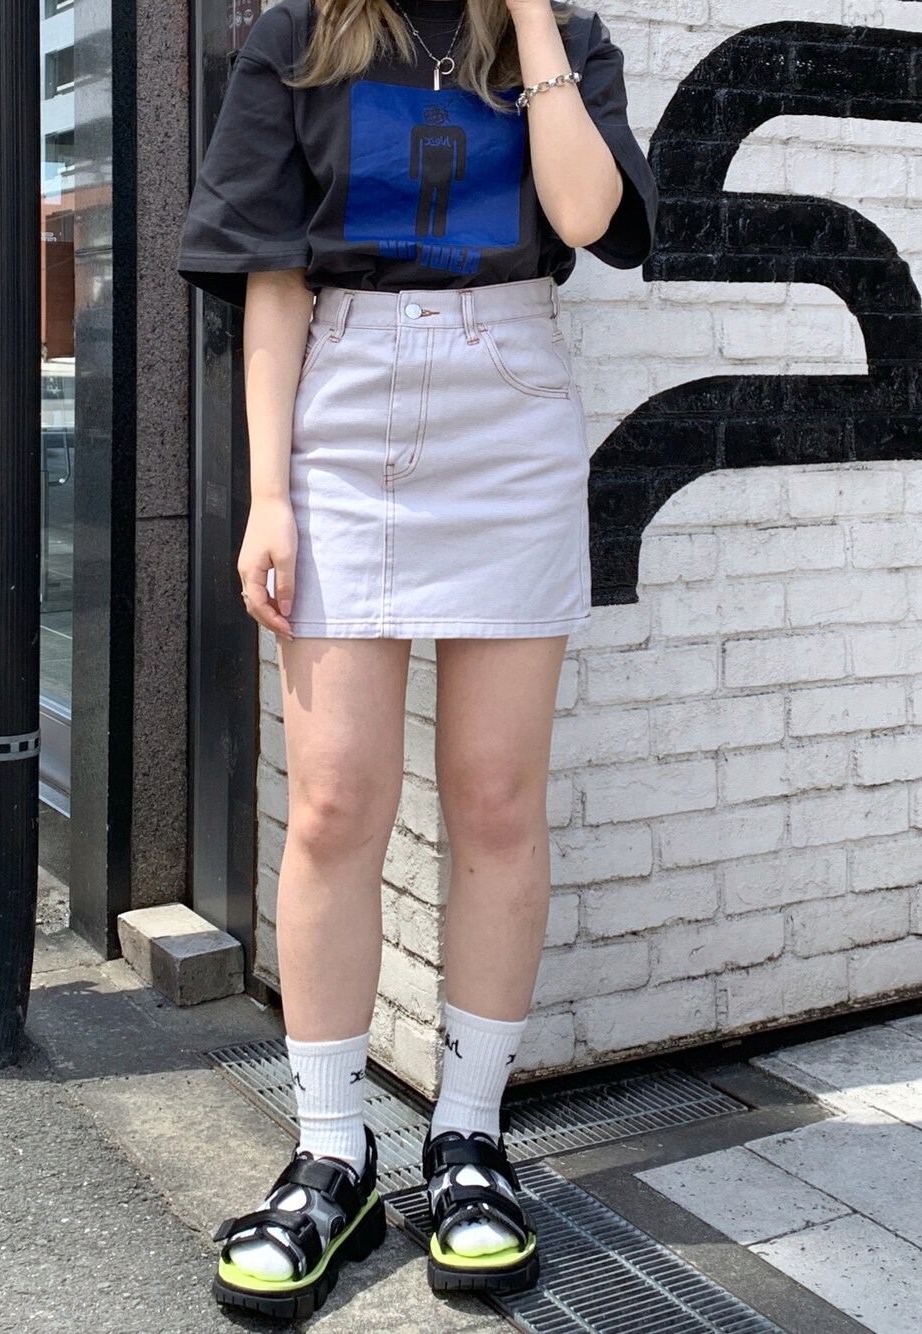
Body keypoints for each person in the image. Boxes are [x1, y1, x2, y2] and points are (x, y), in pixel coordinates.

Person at [177, 0, 657, 1320]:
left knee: (496, 799)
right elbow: (271, 278)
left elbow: (586, 217)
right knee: (336, 800)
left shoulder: (567, 40)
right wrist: (268, 496)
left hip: (512, 401)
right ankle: (331, 1149)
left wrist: (532, 22)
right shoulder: (297, 38)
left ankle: (469, 1139)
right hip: (345, 407)